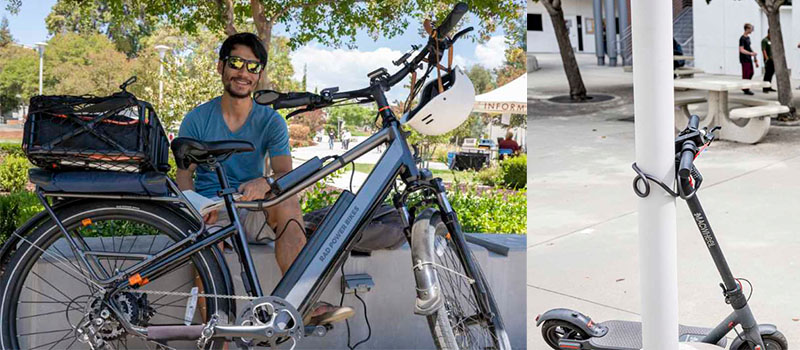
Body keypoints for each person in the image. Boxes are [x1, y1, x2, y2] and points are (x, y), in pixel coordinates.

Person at [176, 32, 352, 326]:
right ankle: (218, 338)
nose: (243, 72)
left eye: (253, 66)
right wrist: (198, 207)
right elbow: (184, 176)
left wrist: (267, 183)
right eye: (236, 63)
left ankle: (303, 302)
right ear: (221, 67)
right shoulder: (197, 119)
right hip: (214, 211)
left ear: (259, 75)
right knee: (209, 249)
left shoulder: (271, 121)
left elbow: (284, 172)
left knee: (287, 201)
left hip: (253, 208)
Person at [739, 23, 759, 95]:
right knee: (746, 74)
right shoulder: (742, 38)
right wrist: (750, 53)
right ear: (747, 29)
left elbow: (749, 47)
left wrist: (753, 54)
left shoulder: (748, 38)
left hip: (749, 58)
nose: (752, 30)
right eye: (751, 28)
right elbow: (741, 49)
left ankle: (746, 87)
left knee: (751, 72)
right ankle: (745, 88)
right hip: (744, 59)